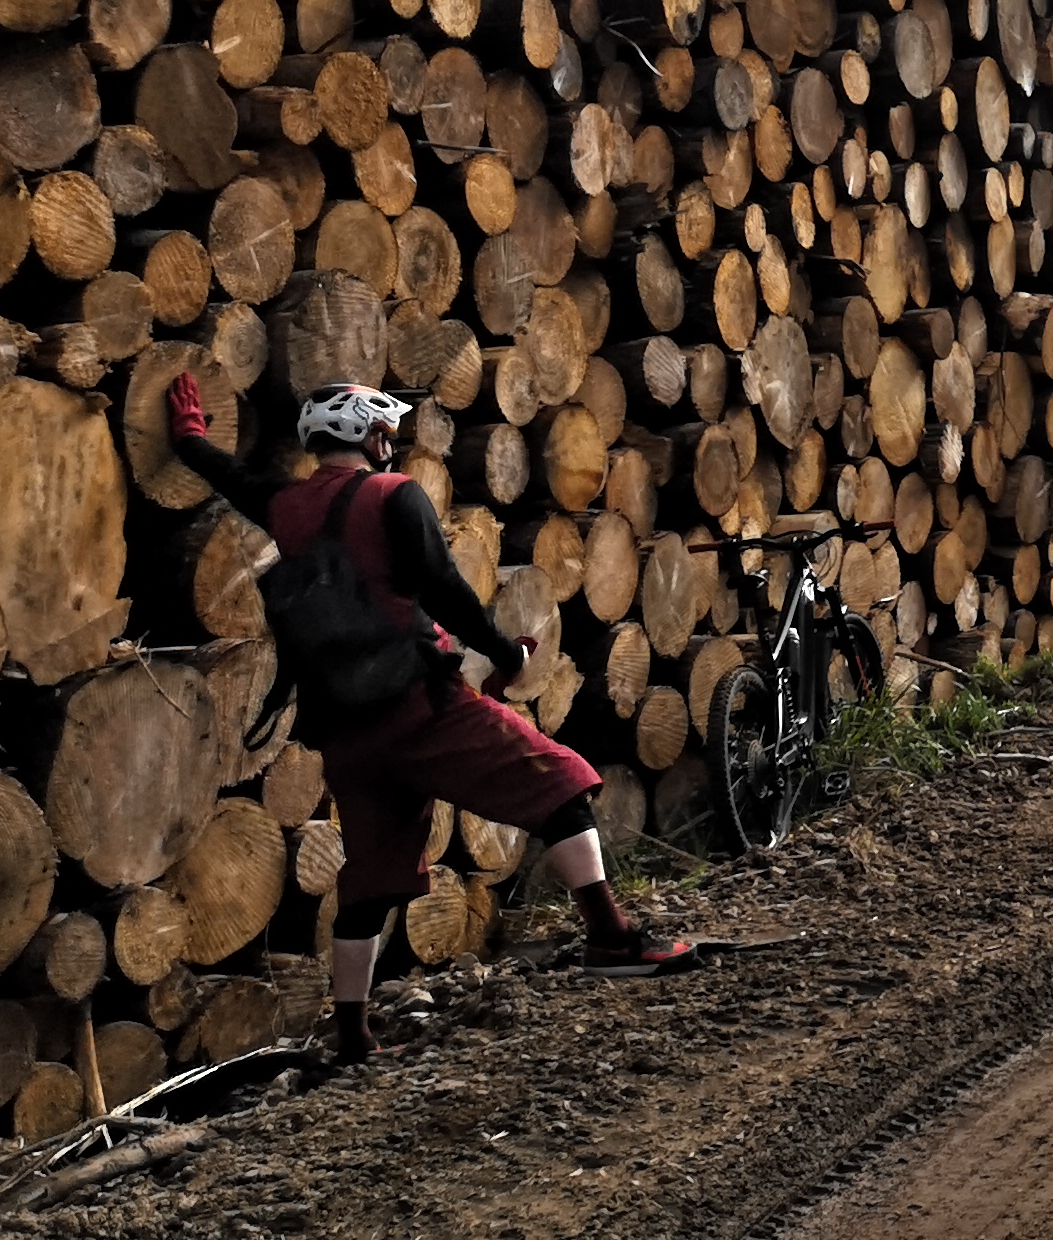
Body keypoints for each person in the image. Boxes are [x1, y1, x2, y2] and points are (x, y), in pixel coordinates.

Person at [164, 372, 695, 1062]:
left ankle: (353, 1035)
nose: (391, 443)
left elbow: (221, 471)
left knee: (369, 882)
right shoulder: (395, 496)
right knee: (559, 784)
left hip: (345, 734)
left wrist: (188, 433)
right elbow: (446, 590)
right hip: (422, 706)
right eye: (385, 431)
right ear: (368, 434)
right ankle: (613, 938)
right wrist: (507, 652)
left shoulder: (284, 504)